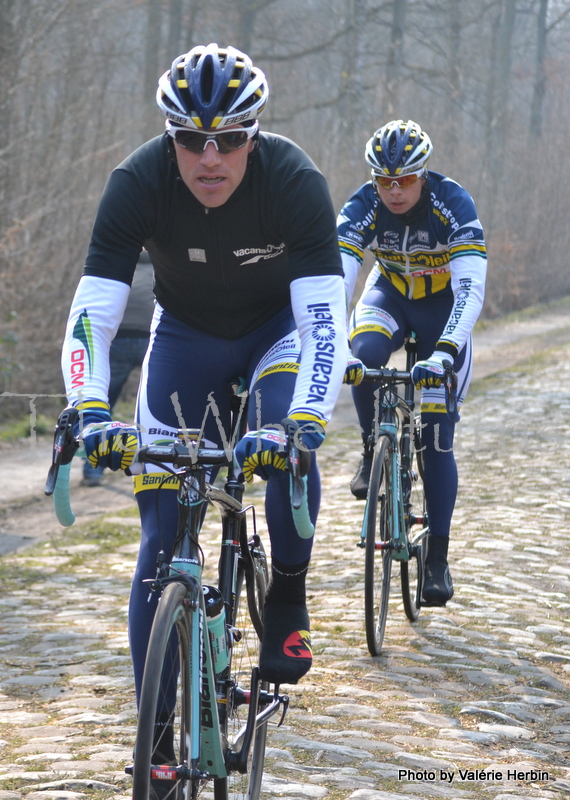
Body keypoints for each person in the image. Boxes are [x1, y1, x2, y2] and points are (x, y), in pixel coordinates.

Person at [60, 42, 347, 761]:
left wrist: (303, 422)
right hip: (186, 336)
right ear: (170, 138)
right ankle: (156, 738)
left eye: (229, 140)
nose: (209, 158)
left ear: (255, 135)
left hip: (277, 332)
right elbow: (94, 308)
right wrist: (90, 408)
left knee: (285, 448)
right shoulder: (137, 182)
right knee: (159, 543)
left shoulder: (294, 181)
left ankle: (285, 590)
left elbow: (323, 322)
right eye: (190, 139)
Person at [338, 119, 487, 607]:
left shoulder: (452, 204)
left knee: (436, 438)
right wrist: (333, 341)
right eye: (384, 180)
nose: (393, 191)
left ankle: (438, 558)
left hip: (443, 309)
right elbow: (336, 279)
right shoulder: (362, 206)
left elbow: (469, 290)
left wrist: (445, 351)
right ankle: (370, 450)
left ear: (422, 175)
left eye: (403, 180)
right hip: (391, 297)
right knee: (364, 356)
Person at [81, 251, 155, 486]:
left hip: (119, 340)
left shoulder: (119, 270)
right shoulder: (163, 268)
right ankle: (157, 465)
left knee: (102, 404)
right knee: (156, 404)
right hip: (151, 341)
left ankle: (93, 469)